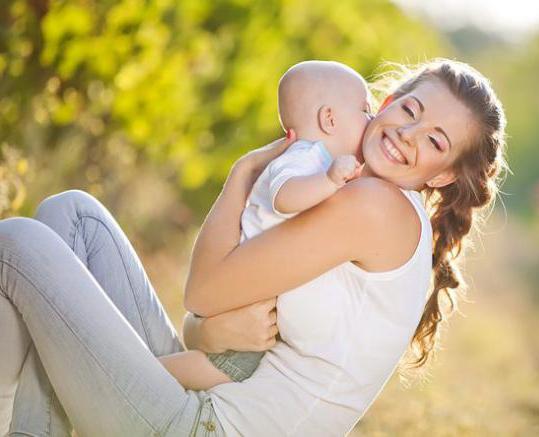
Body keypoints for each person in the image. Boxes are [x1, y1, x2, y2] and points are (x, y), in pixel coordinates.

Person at [0, 58, 507, 436]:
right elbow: (211, 330)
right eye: (411, 110)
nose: (409, 134)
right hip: (203, 398)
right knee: (75, 218)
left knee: (17, 242)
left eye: (437, 142)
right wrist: (206, 330)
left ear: (443, 175)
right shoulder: (342, 189)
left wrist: (241, 175)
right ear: (388, 102)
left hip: (206, 428)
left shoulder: (376, 207)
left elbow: (203, 291)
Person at [159, 60, 372, 390]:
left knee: (225, 365)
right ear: (329, 118)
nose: (370, 121)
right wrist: (330, 181)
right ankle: (144, 375)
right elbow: (284, 196)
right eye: (365, 111)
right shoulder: (305, 157)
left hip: (242, 286)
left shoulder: (317, 161)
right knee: (228, 367)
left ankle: (143, 374)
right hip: (241, 295)